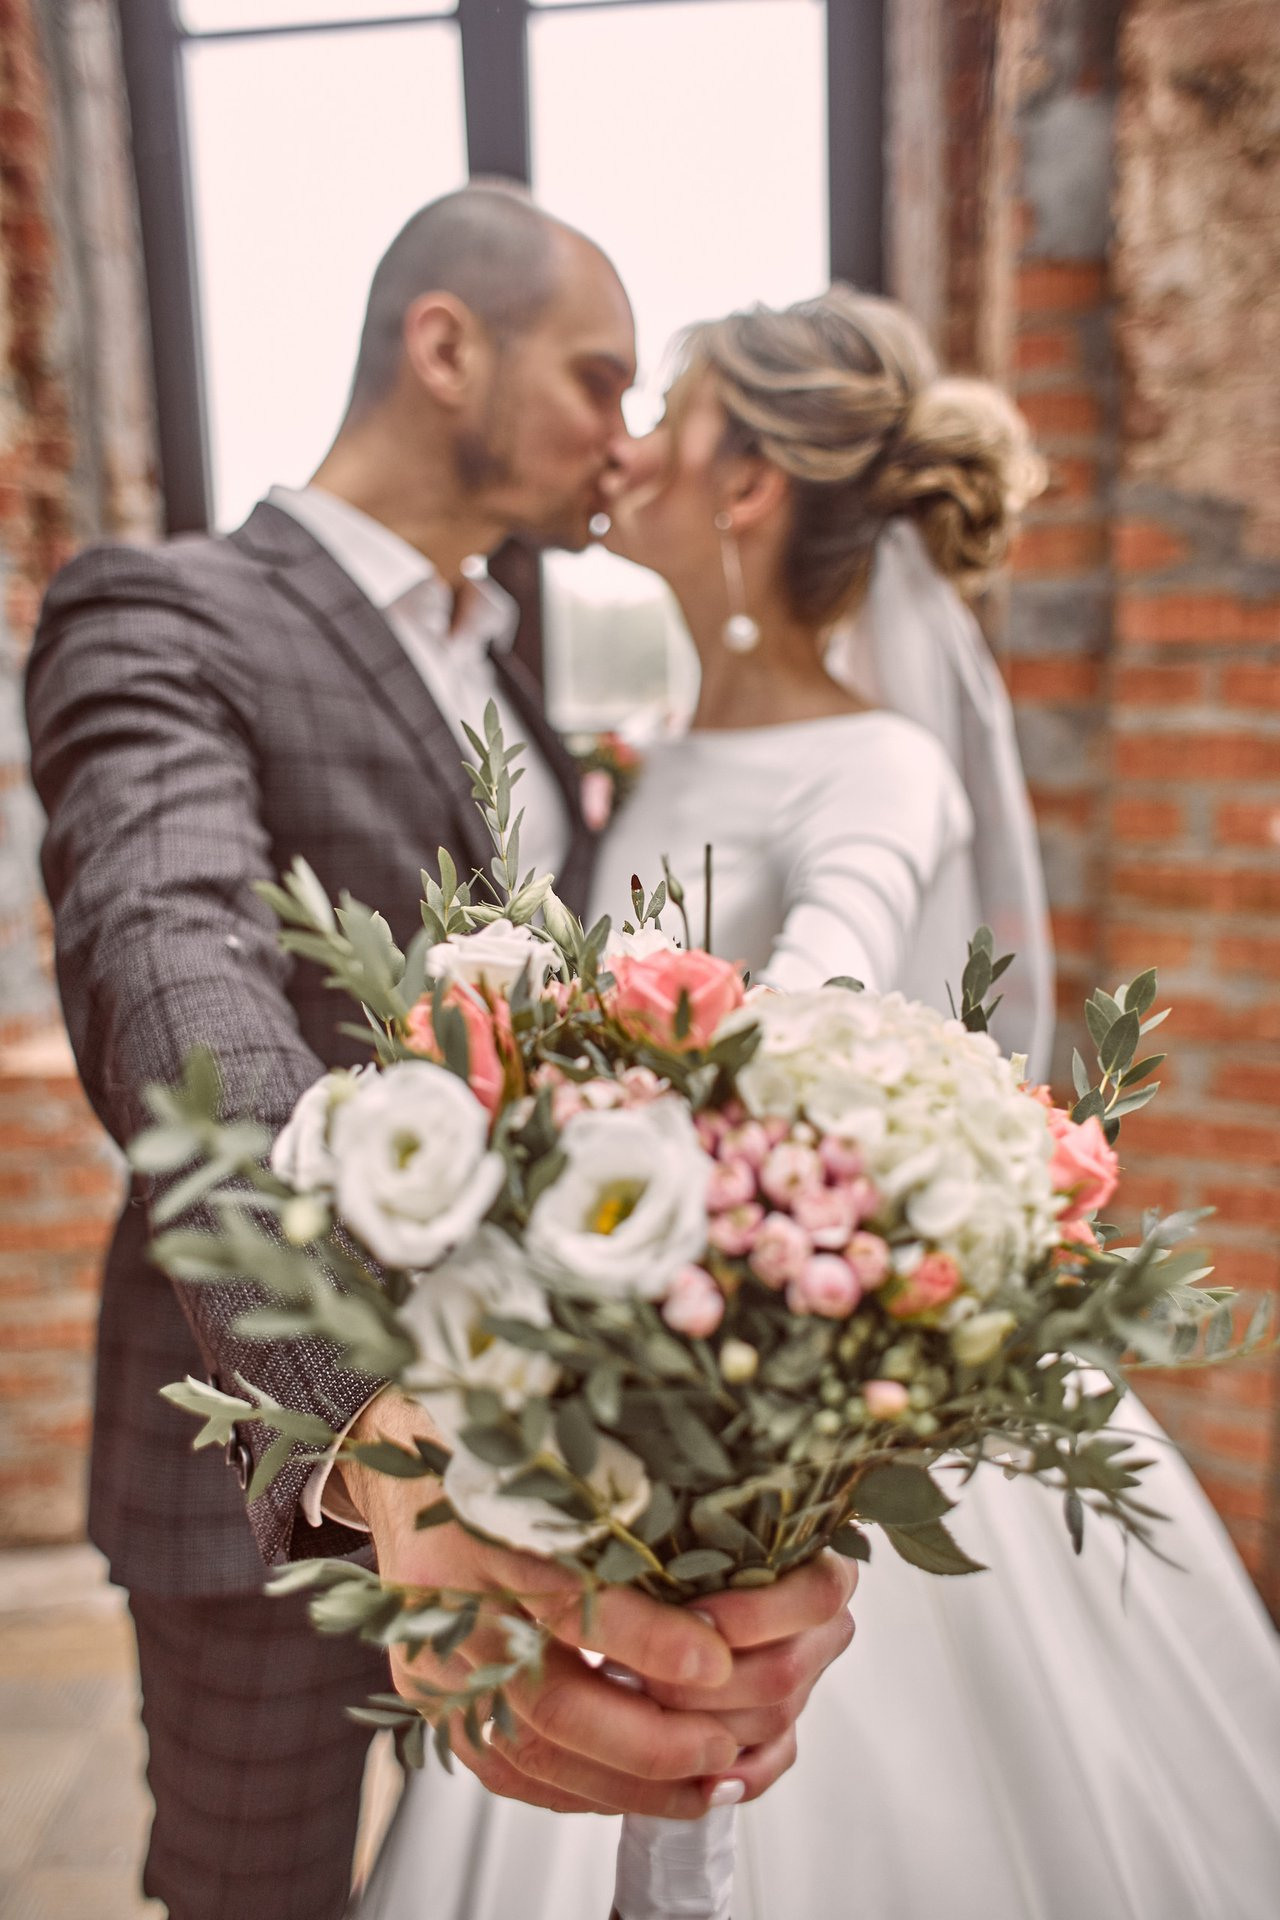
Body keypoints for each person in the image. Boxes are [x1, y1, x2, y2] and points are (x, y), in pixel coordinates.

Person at [359, 288, 1280, 1919]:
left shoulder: (881, 766)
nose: (627, 448)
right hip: (656, 1336)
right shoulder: (663, 753)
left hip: (800, 1371)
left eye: (674, 413)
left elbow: (806, 1034)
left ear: (747, 486)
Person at [23, 189, 856, 1920]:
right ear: (447, 347)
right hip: (264, 1440)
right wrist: (374, 1427)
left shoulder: (516, 669)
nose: (624, 444)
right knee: (252, 1893)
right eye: (599, 381)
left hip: (545, 1446)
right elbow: (171, 967)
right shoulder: (163, 607)